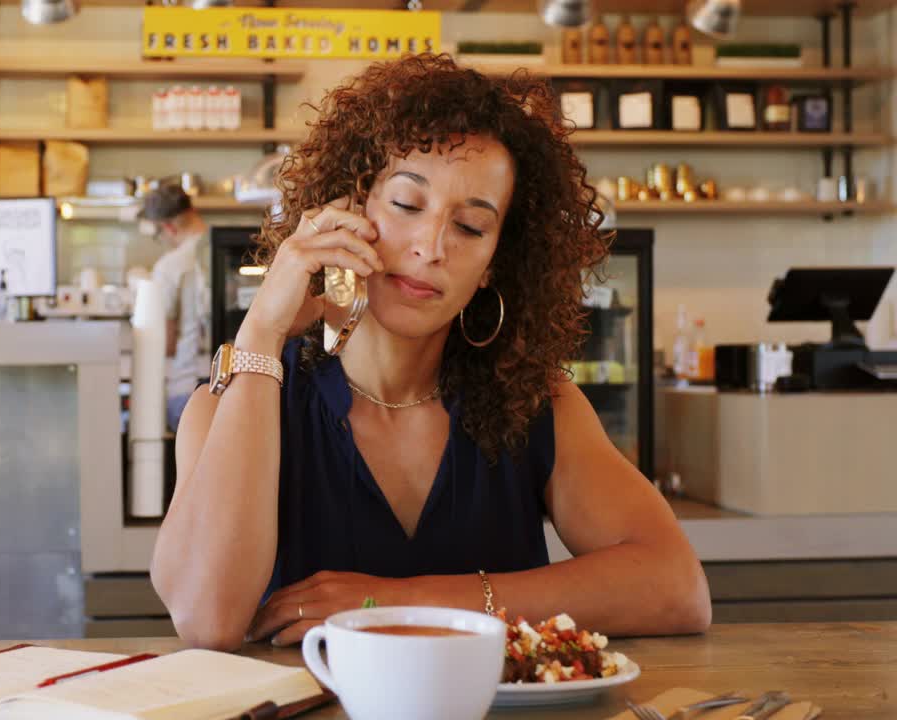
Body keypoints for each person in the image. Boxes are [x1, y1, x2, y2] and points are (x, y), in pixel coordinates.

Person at [149, 54, 711, 651]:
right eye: (406, 205)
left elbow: (677, 588)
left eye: (470, 227)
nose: (431, 247)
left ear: (495, 263)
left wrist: (395, 603)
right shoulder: (236, 402)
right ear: (349, 207)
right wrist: (262, 329)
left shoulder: (534, 404)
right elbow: (206, 620)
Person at [142, 183, 211, 432]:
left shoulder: (170, 266)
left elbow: (166, 341)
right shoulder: (232, 251)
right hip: (236, 386)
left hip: (188, 391)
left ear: (168, 227)